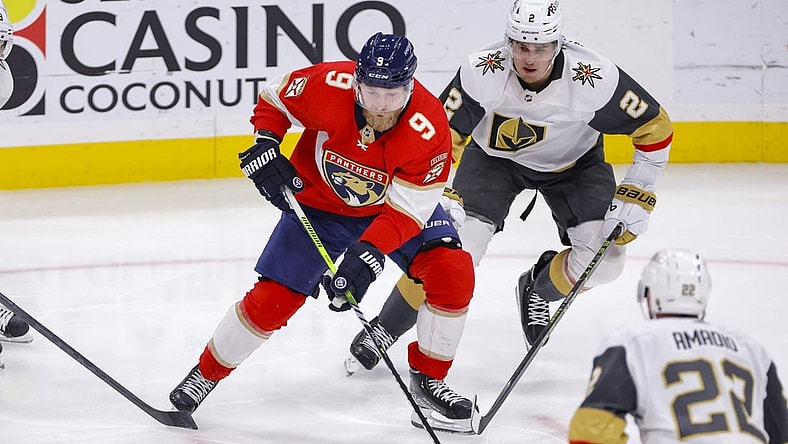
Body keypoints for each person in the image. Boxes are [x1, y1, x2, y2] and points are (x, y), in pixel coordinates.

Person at [168, 32, 478, 434]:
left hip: (390, 209)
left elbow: (407, 211)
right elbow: (274, 98)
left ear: (411, 85)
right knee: (273, 300)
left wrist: (368, 254)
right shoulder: (328, 84)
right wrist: (266, 141)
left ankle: (430, 380)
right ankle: (205, 374)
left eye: (393, 94)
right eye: (372, 92)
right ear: (357, 82)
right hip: (317, 204)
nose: (380, 107)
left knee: (452, 269)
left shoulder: (430, 125)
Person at [343, 0, 674, 373]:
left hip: (575, 167)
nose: (529, 57)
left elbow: (655, 127)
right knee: (451, 253)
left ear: (559, 44)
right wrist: (441, 188)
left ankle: (538, 287)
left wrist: (640, 187)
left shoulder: (593, 76)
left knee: (607, 262)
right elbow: (438, 135)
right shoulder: (481, 70)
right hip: (492, 163)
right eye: (520, 46)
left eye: (541, 47)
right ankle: (386, 327)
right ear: (508, 41)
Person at [568, 249, 788, 443]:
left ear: (649, 294)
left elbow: (590, 432)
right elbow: (782, 432)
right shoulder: (750, 348)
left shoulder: (633, 342)